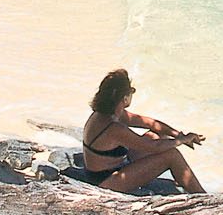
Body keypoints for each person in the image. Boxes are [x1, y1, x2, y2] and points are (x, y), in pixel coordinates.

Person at [79, 69, 207, 193]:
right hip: (105, 182)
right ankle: (203, 197)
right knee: (172, 155)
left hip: (115, 165)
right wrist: (181, 140)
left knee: (157, 134)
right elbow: (154, 147)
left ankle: (181, 177)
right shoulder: (113, 128)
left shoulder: (107, 114)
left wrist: (178, 135)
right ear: (125, 98)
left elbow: (150, 123)